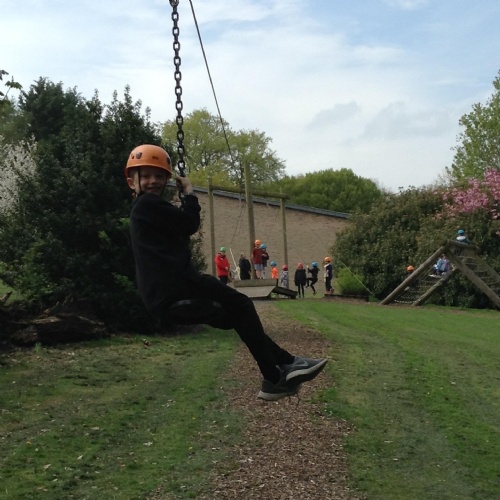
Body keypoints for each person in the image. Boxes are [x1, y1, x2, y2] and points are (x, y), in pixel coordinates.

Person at [125, 145, 327, 401]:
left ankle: (287, 363)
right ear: (132, 182)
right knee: (242, 304)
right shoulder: (148, 204)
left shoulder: (145, 210)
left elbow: (177, 228)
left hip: (162, 297)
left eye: (158, 176)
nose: (153, 181)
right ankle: (274, 377)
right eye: (145, 176)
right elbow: (190, 223)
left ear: (166, 180)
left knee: (239, 318)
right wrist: (189, 194)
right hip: (175, 286)